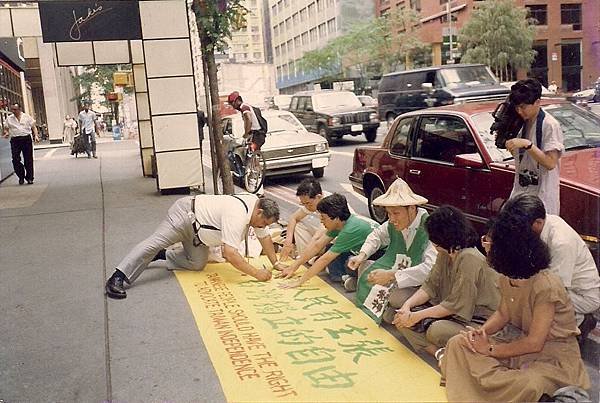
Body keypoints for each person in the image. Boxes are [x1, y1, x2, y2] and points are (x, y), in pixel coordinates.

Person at [441, 209, 590, 402]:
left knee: (528, 383)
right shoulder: (507, 276)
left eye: (491, 243)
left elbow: (535, 343)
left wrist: (490, 350)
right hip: (517, 345)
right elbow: (503, 313)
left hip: (551, 356)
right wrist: (481, 333)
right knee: (458, 344)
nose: (486, 246)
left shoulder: (545, 285)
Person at [105, 194, 280, 299]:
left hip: (198, 236)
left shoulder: (256, 207)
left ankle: (163, 255)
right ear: (259, 212)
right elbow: (230, 253)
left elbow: (264, 239)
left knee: (196, 264)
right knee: (154, 243)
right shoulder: (238, 214)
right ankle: (118, 276)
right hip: (184, 216)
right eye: (263, 222)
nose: (262, 226)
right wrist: (257, 273)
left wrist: (276, 264)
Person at [392, 206, 500, 357]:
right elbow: (429, 286)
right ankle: (437, 352)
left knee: (435, 331)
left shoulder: (469, 258)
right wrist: (407, 307)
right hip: (449, 309)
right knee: (397, 314)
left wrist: (415, 316)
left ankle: (434, 347)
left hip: (477, 320)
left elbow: (455, 305)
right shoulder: (445, 252)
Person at [501, 194, 600, 342]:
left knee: (537, 296)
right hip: (558, 283)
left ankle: (578, 324)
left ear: (538, 222)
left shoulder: (561, 243)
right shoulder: (542, 224)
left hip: (580, 296)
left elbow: (554, 289)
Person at [346, 178, 437, 323]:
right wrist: (361, 255)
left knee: (396, 297)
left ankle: (398, 310)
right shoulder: (392, 222)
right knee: (366, 268)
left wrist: (392, 275)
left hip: (421, 283)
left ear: (412, 208)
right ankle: (388, 311)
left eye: (396, 213)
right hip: (396, 269)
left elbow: (430, 270)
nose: (391, 219)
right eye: (389, 213)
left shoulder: (430, 228)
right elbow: (377, 236)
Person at [279, 193, 379, 288]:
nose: (321, 221)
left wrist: (300, 281)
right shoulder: (341, 223)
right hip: (361, 253)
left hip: (378, 257)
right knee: (329, 249)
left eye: (323, 218)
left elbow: (325, 259)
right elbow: (317, 245)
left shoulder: (351, 229)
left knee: (348, 262)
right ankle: (350, 278)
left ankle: (355, 279)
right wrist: (293, 267)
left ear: (335, 218)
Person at [506, 78, 564, 214]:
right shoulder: (521, 123)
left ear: (538, 102)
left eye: (523, 106)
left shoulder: (549, 125)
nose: (519, 111)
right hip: (521, 191)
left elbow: (550, 163)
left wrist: (527, 144)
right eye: (517, 107)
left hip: (542, 195)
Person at [278, 178, 325, 261]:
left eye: (308, 203)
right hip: (319, 238)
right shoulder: (311, 205)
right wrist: (288, 242)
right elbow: (293, 218)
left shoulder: (330, 206)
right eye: (303, 204)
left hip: (333, 240)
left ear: (318, 197)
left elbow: (317, 237)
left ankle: (308, 256)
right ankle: (308, 257)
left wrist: (300, 260)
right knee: (298, 225)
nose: (306, 206)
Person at [1, 103, 39, 185]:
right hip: (15, 140)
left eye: (15, 109)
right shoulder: (9, 119)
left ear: (20, 109)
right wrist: (6, 133)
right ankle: (21, 176)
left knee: (28, 159)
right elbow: (6, 129)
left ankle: (30, 178)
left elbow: (33, 127)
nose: (13, 111)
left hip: (26, 139)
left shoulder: (27, 117)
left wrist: (36, 135)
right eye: (12, 109)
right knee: (15, 159)